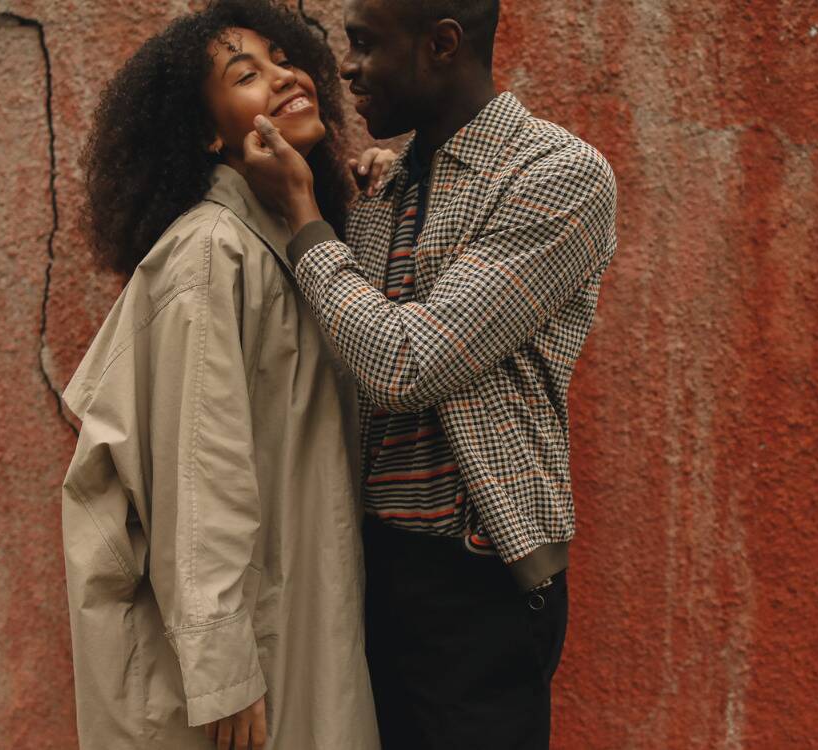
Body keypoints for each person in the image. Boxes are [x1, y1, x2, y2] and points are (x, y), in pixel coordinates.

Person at [240, 0, 619, 748]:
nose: (344, 68)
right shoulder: (388, 186)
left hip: (475, 587)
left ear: (442, 44)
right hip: (364, 568)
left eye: (365, 45)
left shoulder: (558, 176)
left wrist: (301, 212)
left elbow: (405, 364)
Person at [60, 2, 388, 748]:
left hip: (298, 617)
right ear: (210, 135)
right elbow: (197, 483)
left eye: (283, 57)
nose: (283, 77)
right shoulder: (211, 255)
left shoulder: (288, 240)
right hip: (242, 667)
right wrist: (224, 673)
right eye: (246, 73)